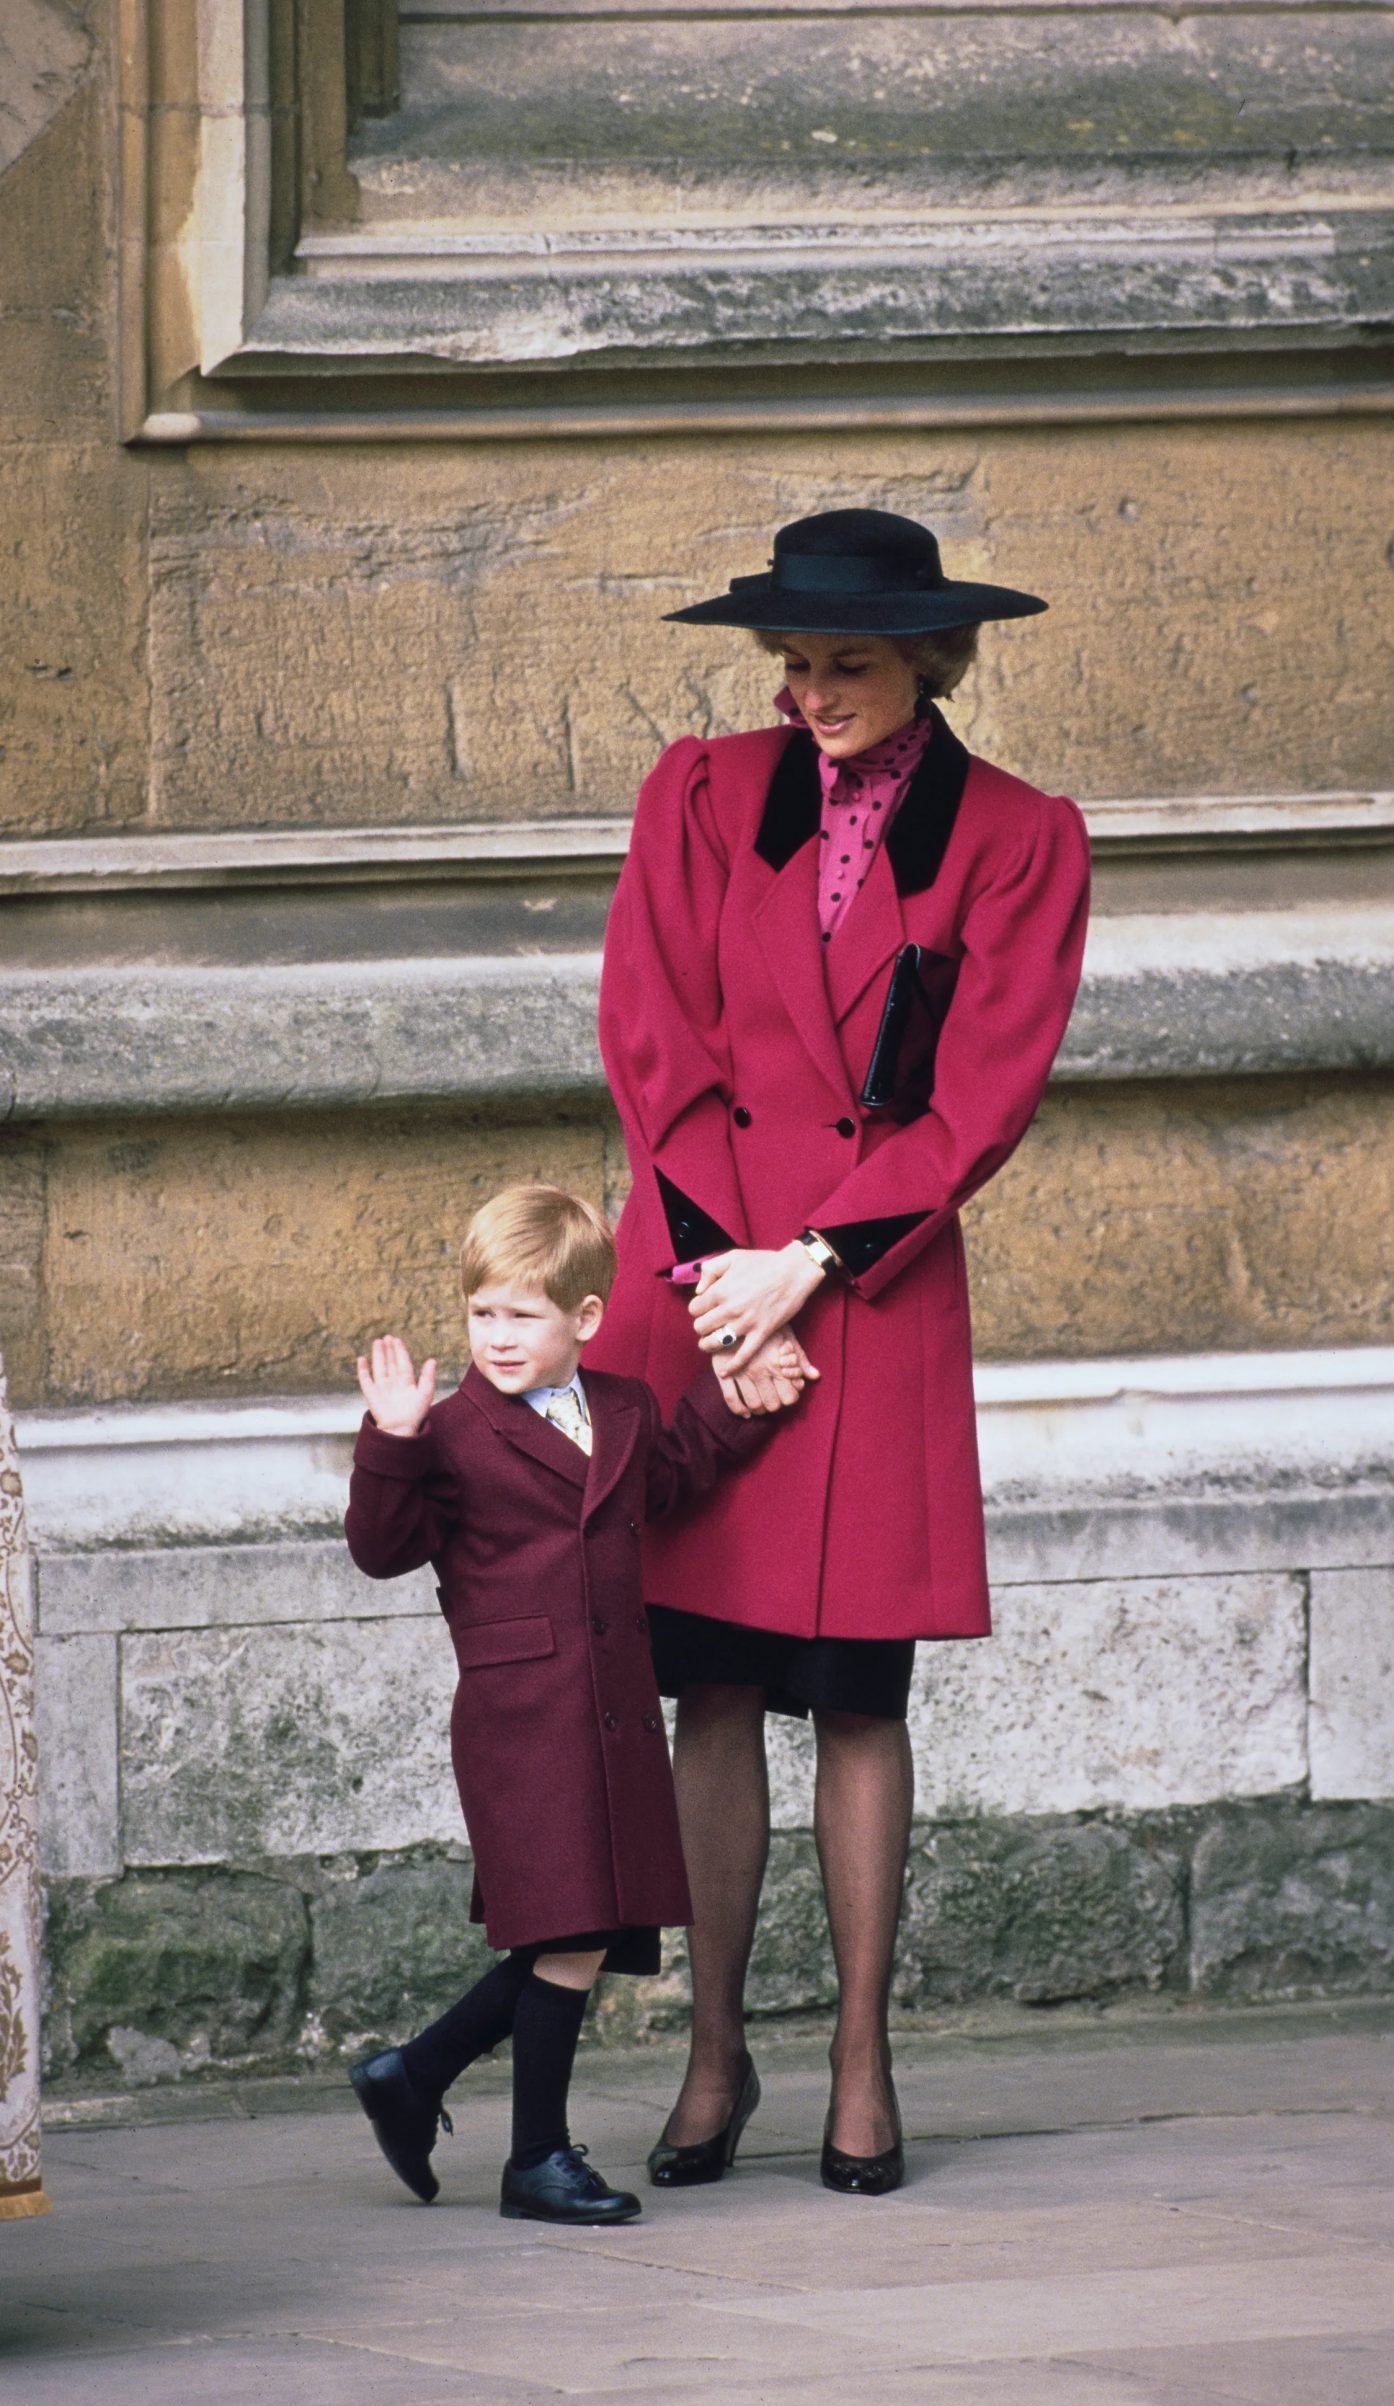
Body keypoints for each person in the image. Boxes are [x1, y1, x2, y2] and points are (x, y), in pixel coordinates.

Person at [586, 507, 1092, 2195]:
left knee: (861, 1691)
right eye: (791, 664)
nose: (811, 693)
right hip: (705, 1275)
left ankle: (863, 2065)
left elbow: (986, 1090)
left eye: (849, 664)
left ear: (936, 660)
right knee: (713, 1680)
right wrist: (728, 1280)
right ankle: (716, 2052)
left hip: (871, 1290)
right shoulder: (699, 794)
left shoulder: (1022, 835)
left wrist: (812, 1262)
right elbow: (649, 1037)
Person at [342, 1182, 805, 2224]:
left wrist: (735, 1395)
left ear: (585, 1320)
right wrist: (393, 1441)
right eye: (482, 1314)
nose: (497, 1338)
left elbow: (671, 1477)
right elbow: (380, 1550)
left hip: (616, 1710)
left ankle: (414, 2077)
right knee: (567, 1933)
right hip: (523, 1719)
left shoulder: (628, 1409)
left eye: (523, 1315)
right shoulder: (452, 1432)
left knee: (581, 1931)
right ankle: (533, 2158)